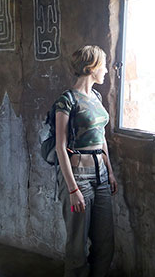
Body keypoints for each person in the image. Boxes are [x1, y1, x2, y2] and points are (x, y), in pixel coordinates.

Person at [54, 45, 118, 277]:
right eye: (103, 66)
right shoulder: (67, 100)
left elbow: (101, 139)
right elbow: (60, 147)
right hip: (78, 177)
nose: (106, 71)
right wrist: (72, 189)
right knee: (77, 247)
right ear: (91, 68)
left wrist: (109, 171)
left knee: (105, 243)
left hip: (100, 176)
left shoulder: (97, 97)